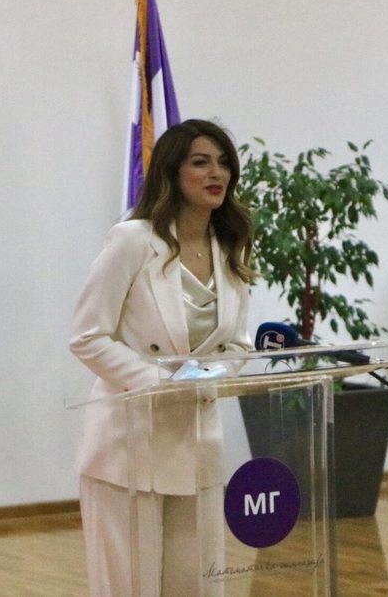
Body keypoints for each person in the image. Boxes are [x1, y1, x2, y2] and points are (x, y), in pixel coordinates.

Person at [70, 119, 257, 596]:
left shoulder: (229, 244)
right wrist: (161, 382)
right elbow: (88, 336)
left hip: (197, 445)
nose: (217, 173)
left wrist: (208, 376)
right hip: (128, 445)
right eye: (201, 162)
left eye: (223, 163)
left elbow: (238, 344)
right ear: (172, 172)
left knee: (197, 587)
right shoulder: (133, 240)